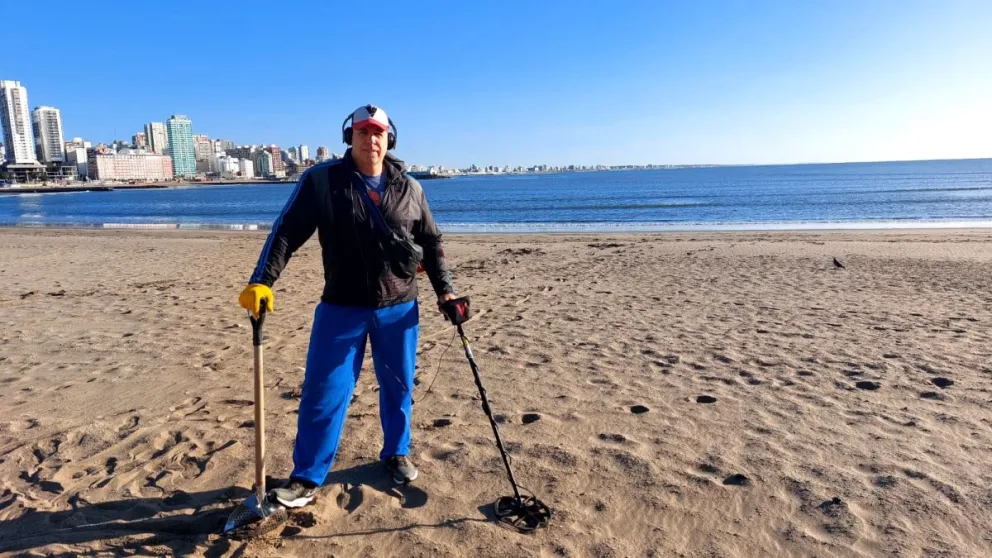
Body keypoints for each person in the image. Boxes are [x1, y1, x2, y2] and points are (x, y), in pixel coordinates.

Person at [237, 104, 457, 508]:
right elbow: (286, 232)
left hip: (400, 308)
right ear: (349, 136)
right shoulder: (322, 182)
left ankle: (396, 452)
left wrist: (446, 291)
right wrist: (261, 281)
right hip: (341, 307)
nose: (370, 140)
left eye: (378, 133)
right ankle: (306, 477)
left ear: (389, 138)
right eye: (362, 132)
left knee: (399, 387)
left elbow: (432, 241)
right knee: (325, 391)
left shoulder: (410, 188)